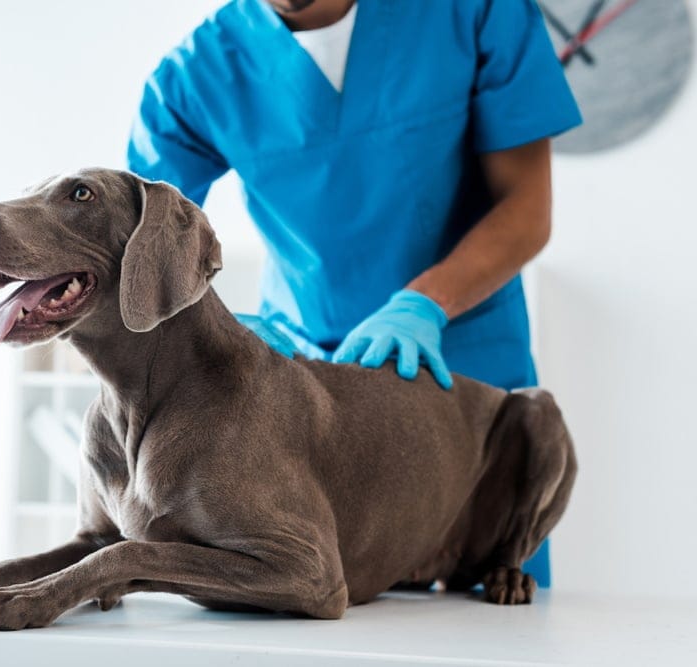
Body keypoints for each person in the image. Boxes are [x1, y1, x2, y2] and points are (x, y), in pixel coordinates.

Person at [127, 0, 580, 587]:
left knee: (494, 609)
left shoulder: (474, 12)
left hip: (459, 370)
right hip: (303, 390)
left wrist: (425, 303)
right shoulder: (193, 78)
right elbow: (139, 253)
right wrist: (226, 336)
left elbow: (525, 210)